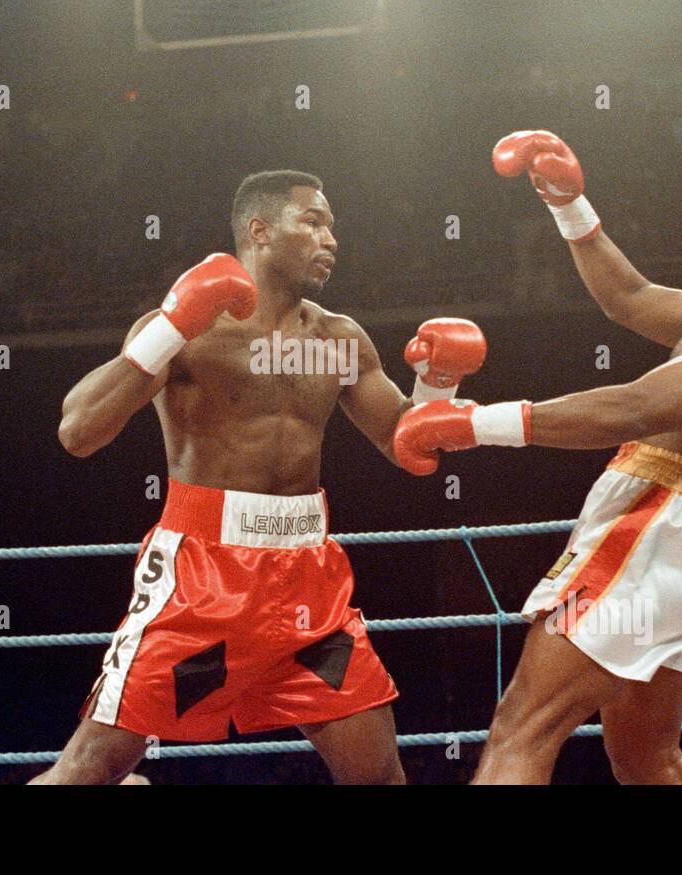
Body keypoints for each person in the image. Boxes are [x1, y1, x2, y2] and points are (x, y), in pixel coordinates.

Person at [392, 131, 682, 784]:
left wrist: (476, 423)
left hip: (653, 528)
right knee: (649, 761)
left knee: (522, 725)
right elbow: (627, 297)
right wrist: (570, 204)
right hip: (677, 535)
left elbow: (635, 408)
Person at [31, 170, 487, 784]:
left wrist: (439, 384)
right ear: (260, 230)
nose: (331, 239)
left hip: (309, 587)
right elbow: (78, 431)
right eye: (314, 221)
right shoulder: (188, 332)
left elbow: (410, 447)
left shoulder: (337, 337)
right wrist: (172, 323)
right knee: (91, 768)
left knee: (378, 777)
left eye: (332, 226)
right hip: (200, 578)